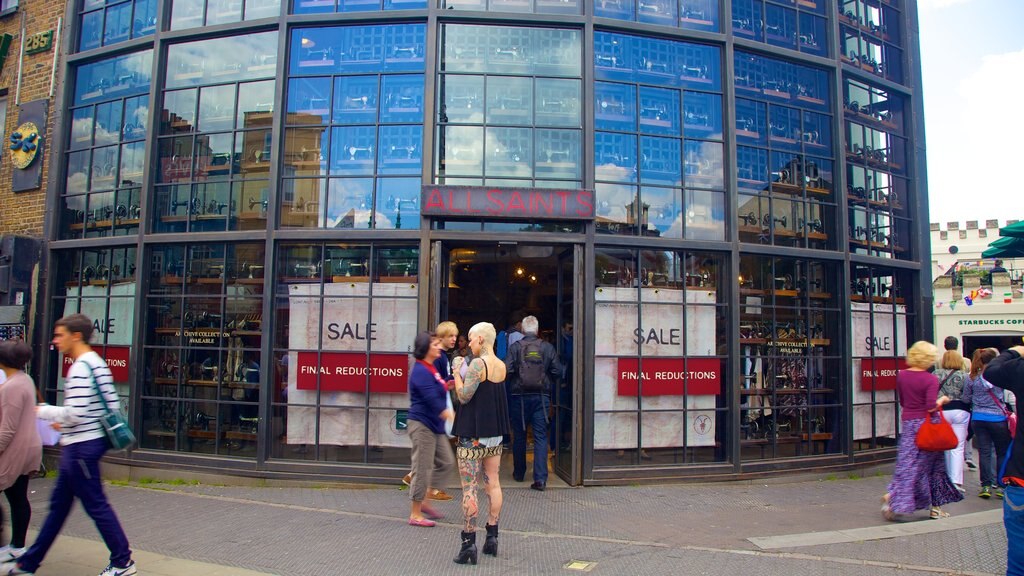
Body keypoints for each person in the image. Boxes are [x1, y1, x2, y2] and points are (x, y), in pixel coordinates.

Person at [2, 314, 136, 576]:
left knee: (95, 506)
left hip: (81, 447)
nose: (55, 340)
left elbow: (75, 413)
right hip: (83, 443)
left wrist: (42, 411)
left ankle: (123, 561)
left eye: (60, 335)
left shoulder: (81, 368)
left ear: (76, 336)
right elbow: (107, 405)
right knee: (59, 507)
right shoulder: (96, 363)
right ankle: (28, 564)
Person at [881, 340, 963, 521]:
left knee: (908, 463)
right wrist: (943, 400)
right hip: (928, 425)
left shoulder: (902, 375)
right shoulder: (930, 379)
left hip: (909, 422)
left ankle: (894, 495)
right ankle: (933, 507)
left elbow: (902, 401)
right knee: (934, 467)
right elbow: (930, 406)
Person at [450, 322, 508, 565]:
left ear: (482, 340)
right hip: (495, 432)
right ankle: (492, 537)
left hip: (472, 435)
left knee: (470, 488)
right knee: (493, 483)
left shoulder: (477, 364)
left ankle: (468, 544)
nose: (469, 343)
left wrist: (456, 372)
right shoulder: (501, 365)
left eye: (472, 339)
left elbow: (463, 397)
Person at [980, 344, 1024, 576]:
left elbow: (991, 370)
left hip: (1021, 479)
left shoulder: (1020, 368)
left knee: (1018, 563)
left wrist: (1014, 351)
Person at [505, 315, 562, 492]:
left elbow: (507, 370)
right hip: (541, 398)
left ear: (522, 330)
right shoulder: (547, 347)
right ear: (537, 330)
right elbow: (558, 371)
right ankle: (540, 479)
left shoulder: (515, 347)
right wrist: (546, 380)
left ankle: (519, 473)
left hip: (518, 398)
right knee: (540, 437)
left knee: (519, 436)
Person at [401, 321, 457, 501]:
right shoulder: (422, 369)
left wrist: (448, 382)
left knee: (445, 462)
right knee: (423, 466)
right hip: (424, 422)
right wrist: (445, 411)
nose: (439, 346)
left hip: (434, 423)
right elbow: (429, 394)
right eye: (435, 343)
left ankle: (426, 492)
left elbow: (438, 385)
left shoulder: (432, 366)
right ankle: (417, 509)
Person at [0, 341, 41, 564]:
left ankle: (14, 545)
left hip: (14, 451)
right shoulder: (24, 380)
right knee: (17, 497)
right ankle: (17, 545)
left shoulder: (11, 386)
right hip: (28, 447)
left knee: (16, 497)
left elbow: (7, 429)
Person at [962, 348, 1011, 499]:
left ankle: (986, 485)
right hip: (998, 418)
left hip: (978, 418)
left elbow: (966, 398)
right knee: (1001, 452)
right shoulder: (1000, 376)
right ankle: (1001, 485)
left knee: (984, 452)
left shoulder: (972, 377)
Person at [933, 348, 971, 493]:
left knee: (943, 446)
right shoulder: (965, 376)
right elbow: (967, 397)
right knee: (957, 446)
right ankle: (955, 481)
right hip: (960, 410)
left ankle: (944, 478)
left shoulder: (936, 374)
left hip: (941, 410)